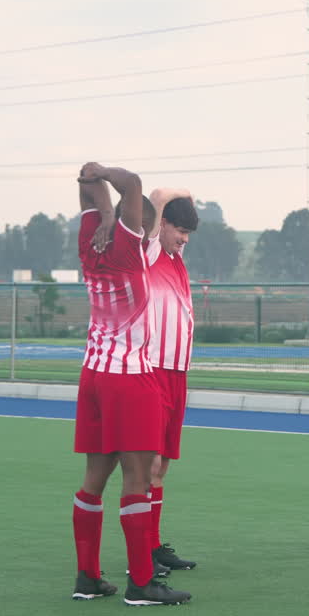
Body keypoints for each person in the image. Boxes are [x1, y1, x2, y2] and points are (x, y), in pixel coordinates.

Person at [69, 162, 191, 606]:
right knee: (138, 479)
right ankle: (141, 583)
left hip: (93, 376)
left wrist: (91, 182)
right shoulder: (128, 248)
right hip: (130, 377)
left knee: (93, 480)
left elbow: (90, 194)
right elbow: (133, 186)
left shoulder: (90, 244)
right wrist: (101, 170)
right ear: (134, 223)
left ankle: (87, 576)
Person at [142, 190, 199, 573]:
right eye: (179, 229)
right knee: (149, 462)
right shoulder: (147, 253)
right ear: (160, 224)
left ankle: (153, 543)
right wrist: (181, 196)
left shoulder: (178, 261)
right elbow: (159, 195)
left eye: (188, 233)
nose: (183, 238)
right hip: (152, 371)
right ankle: (141, 552)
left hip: (178, 374)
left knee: (163, 467)